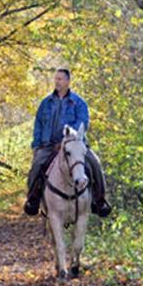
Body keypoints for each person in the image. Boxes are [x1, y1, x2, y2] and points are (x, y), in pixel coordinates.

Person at [24, 68, 112, 218]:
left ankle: (100, 200)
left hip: (73, 144)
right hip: (48, 145)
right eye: (56, 79)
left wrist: (67, 140)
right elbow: (38, 124)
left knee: (95, 164)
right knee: (37, 166)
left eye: (60, 79)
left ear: (68, 81)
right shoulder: (46, 103)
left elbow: (82, 123)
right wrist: (36, 145)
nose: (57, 82)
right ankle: (33, 199)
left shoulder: (78, 103)